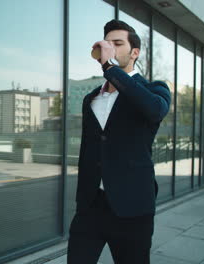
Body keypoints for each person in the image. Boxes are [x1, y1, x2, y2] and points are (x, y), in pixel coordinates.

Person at [67, 20, 171, 263]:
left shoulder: (154, 89)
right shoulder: (91, 98)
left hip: (133, 208)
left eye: (117, 43)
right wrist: (82, 201)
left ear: (134, 52)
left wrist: (110, 67)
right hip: (91, 207)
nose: (110, 48)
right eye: (107, 43)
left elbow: (155, 111)